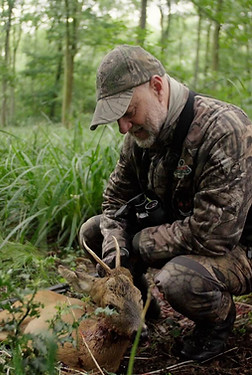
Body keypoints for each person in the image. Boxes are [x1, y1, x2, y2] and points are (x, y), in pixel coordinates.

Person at [79, 44, 252, 362]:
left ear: (157, 87)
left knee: (178, 280)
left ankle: (216, 326)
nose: (123, 128)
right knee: (95, 231)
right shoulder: (141, 136)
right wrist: (117, 250)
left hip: (237, 247)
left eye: (128, 112)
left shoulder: (224, 129)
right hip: (182, 229)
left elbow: (215, 235)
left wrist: (138, 242)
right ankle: (139, 310)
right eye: (117, 118)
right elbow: (115, 197)